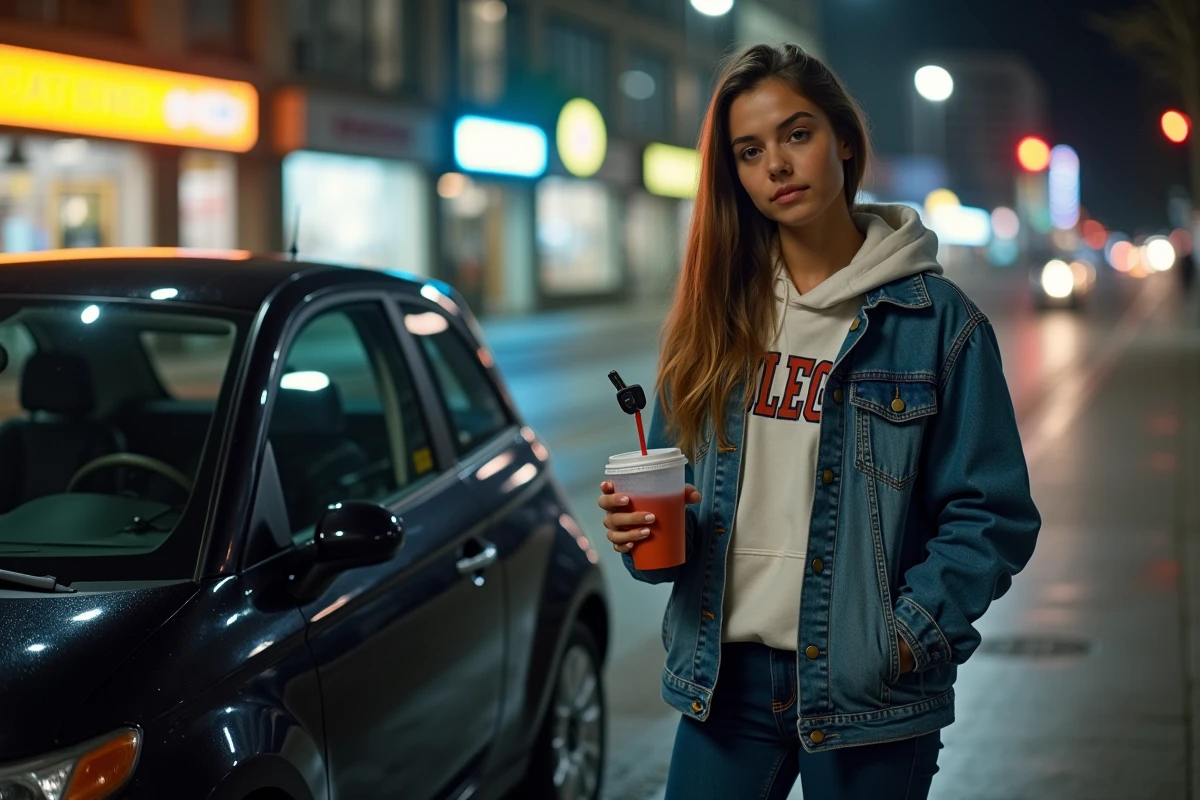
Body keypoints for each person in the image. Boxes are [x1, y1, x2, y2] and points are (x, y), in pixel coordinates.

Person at [598, 43, 1041, 800]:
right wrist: (642, 534)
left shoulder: (938, 324)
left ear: (844, 141)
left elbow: (992, 513)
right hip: (724, 684)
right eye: (749, 151)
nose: (776, 164)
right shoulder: (713, 322)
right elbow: (678, 510)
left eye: (796, 134)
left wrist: (906, 639)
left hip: (868, 691)